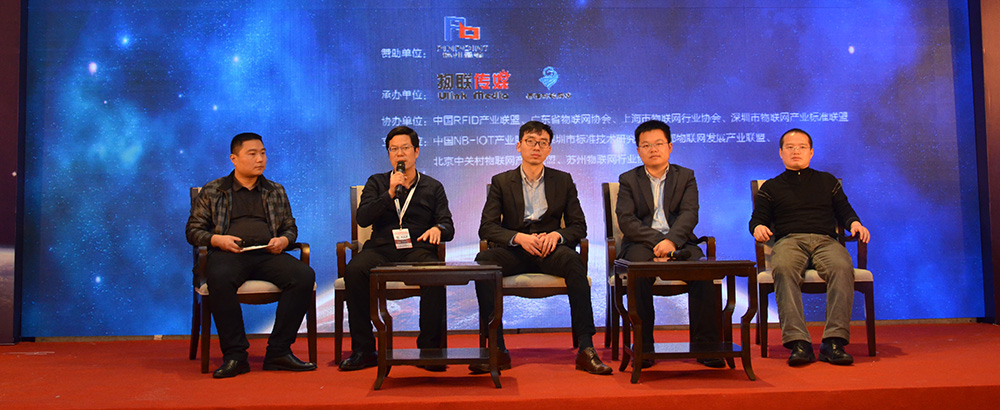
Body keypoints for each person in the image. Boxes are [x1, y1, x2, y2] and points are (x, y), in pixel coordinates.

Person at [472, 121, 612, 375]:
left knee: (574, 263)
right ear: (519, 146)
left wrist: (557, 235)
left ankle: (586, 348)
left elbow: (579, 226)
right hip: (516, 250)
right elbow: (487, 228)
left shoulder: (563, 180)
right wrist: (518, 238)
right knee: (483, 262)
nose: (536, 147)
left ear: (549, 149)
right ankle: (497, 349)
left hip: (550, 250)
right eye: (530, 142)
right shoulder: (501, 181)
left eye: (542, 143)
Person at [186, 132, 317, 378]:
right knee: (220, 277)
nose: (260, 159)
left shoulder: (275, 190)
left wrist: (284, 240)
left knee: (303, 275)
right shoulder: (213, 190)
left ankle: (279, 351)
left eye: (263, 153)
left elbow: (290, 227)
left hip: (267, 254)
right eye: (253, 154)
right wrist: (218, 240)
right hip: (228, 254)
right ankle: (235, 355)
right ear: (234, 159)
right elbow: (193, 231)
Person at [748, 128, 871, 366]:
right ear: (781, 153)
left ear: (811, 152)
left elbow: (845, 211)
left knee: (841, 267)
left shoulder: (827, 181)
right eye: (790, 147)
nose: (796, 151)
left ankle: (833, 342)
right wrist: (758, 228)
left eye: (802, 147)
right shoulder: (771, 188)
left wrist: (855, 223)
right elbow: (757, 219)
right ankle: (799, 343)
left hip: (826, 240)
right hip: (789, 241)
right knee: (783, 268)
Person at [338, 126, 455, 372]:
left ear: (416, 151)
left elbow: (448, 226)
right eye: (394, 149)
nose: (399, 154)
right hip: (381, 249)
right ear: (389, 154)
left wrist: (438, 229)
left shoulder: (433, 186)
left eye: (405, 148)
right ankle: (364, 350)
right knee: (355, 269)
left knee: (435, 273)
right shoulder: (377, 182)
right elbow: (363, 218)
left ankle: (430, 350)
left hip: (417, 248)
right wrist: (389, 193)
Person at [614, 120, 725, 369]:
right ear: (638, 150)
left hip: (680, 242)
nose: (653, 149)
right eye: (646, 145)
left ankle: (706, 347)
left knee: (703, 273)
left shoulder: (686, 176)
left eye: (658, 143)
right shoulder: (628, 179)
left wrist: (672, 241)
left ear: (670, 146)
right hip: (642, 243)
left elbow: (689, 214)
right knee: (638, 273)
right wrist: (659, 241)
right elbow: (627, 220)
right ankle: (644, 348)